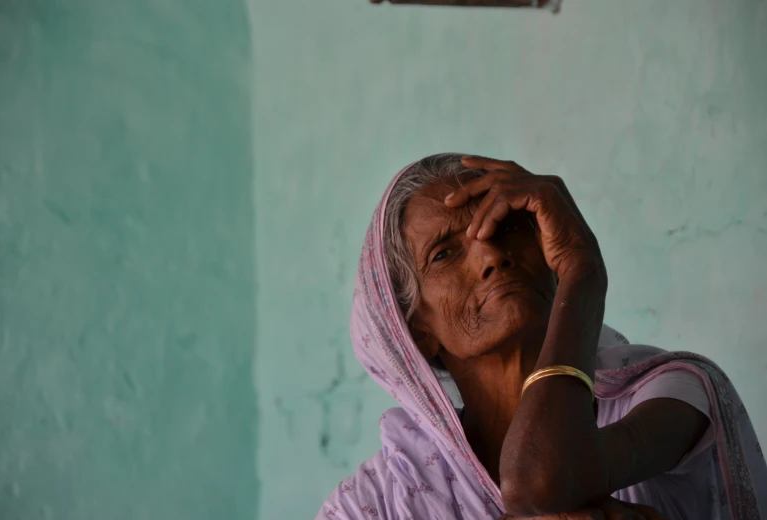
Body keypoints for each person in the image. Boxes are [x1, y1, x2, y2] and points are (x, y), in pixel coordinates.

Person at [316, 153, 767, 519]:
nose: (491, 255)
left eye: (507, 226)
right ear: (418, 332)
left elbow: (542, 479)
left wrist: (585, 274)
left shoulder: (671, 391)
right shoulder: (373, 504)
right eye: (445, 253)